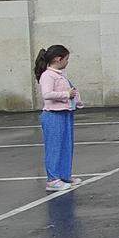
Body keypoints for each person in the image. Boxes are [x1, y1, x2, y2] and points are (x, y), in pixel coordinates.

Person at [34, 44, 80, 192]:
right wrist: (67, 94)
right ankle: (53, 179)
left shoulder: (59, 75)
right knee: (54, 147)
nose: (67, 62)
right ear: (58, 59)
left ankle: (64, 175)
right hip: (53, 115)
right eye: (66, 59)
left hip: (65, 112)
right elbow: (47, 94)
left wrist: (76, 100)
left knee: (66, 145)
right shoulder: (47, 75)